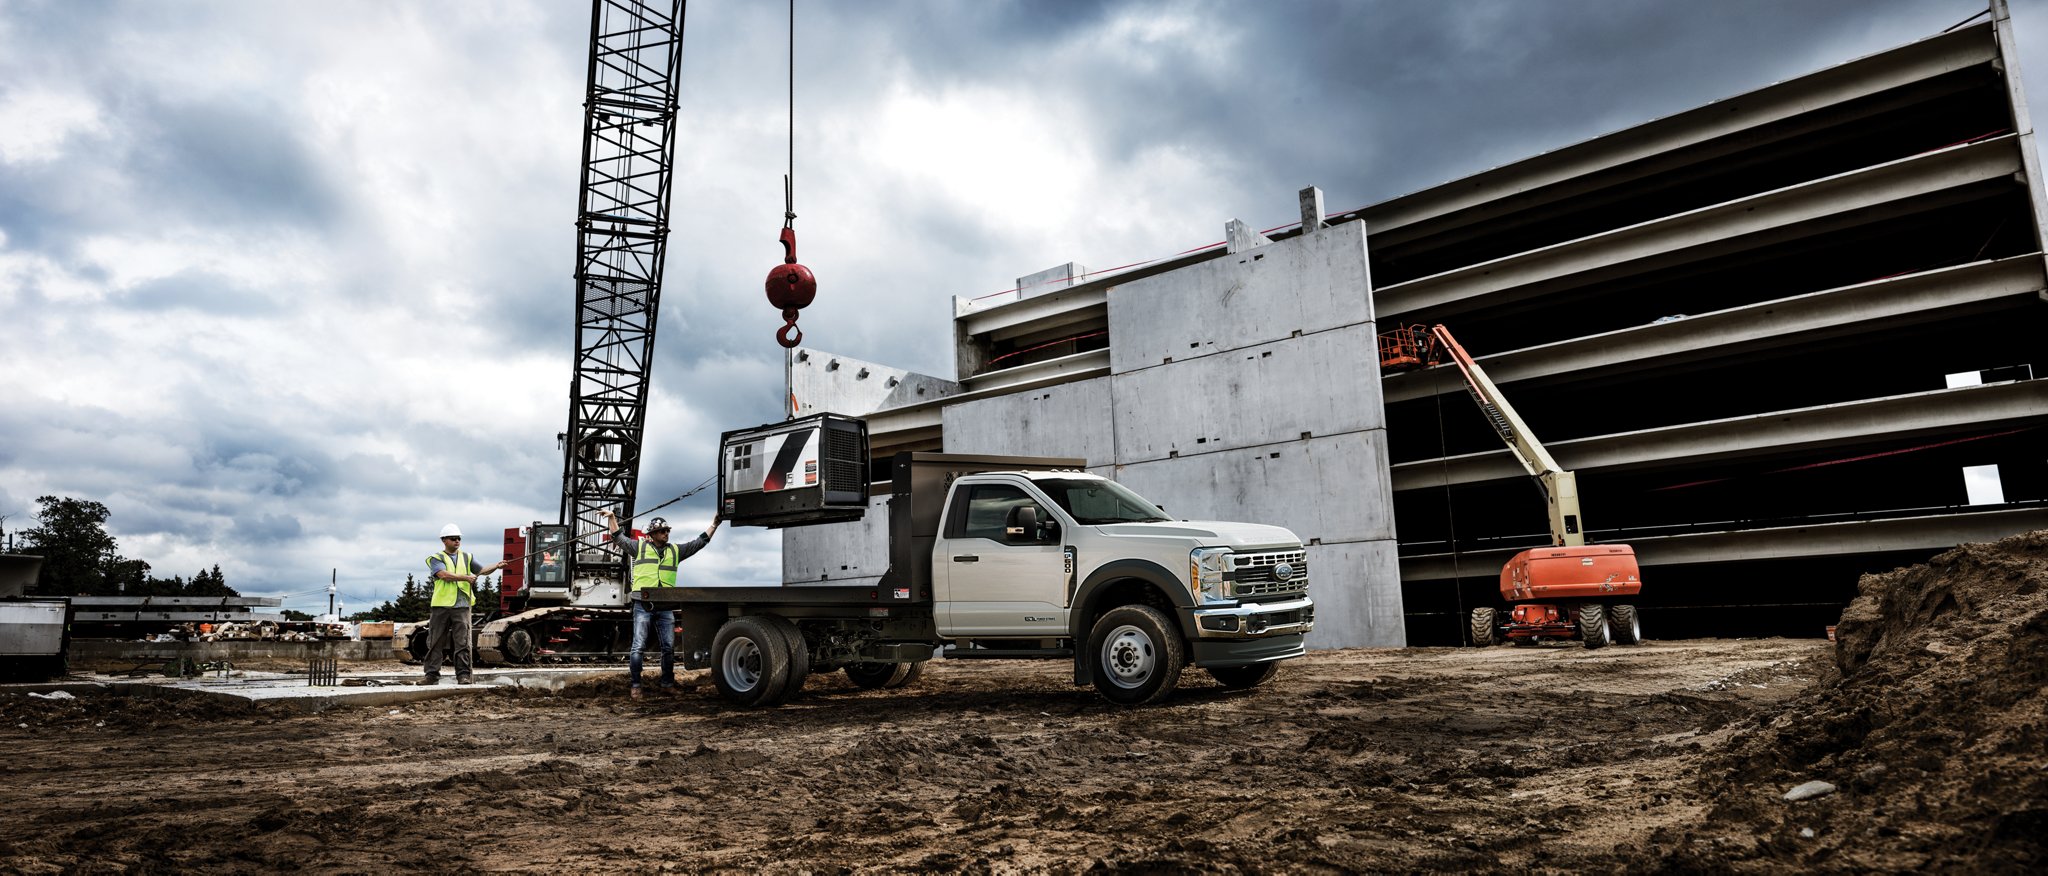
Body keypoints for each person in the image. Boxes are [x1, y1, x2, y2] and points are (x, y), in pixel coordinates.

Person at [603, 509, 720, 698]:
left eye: (668, 531)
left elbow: (699, 543)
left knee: (668, 647)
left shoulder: (675, 551)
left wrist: (714, 524)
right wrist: (612, 518)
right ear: (653, 534)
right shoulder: (639, 547)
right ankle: (635, 686)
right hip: (643, 605)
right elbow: (619, 538)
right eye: (663, 531)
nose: (667, 534)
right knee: (638, 646)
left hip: (665, 607)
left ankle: (667, 684)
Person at [423, 523, 509, 685]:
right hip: (441, 606)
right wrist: (466, 578)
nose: (457, 541)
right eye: (453, 538)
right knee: (435, 642)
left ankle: (463, 675)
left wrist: (496, 566)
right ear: (444, 540)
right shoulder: (436, 558)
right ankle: (431, 675)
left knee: (462, 643)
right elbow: (443, 575)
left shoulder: (466, 557)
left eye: (459, 539)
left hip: (461, 606)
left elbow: (482, 570)